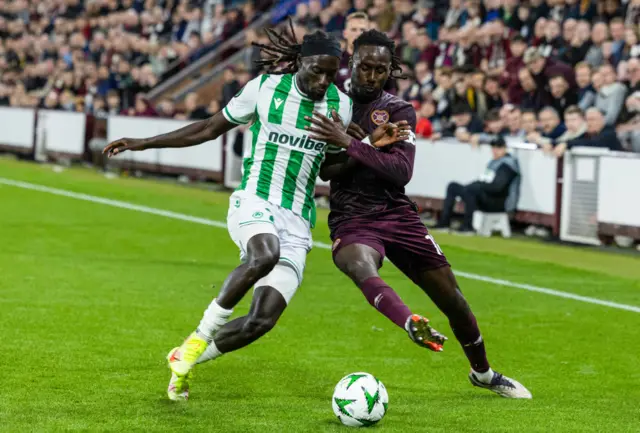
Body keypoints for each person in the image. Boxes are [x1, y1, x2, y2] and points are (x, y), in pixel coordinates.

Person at [102, 28, 379, 402]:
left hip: (298, 220)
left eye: (331, 73)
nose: (323, 81)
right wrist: (145, 142)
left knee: (260, 321)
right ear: (300, 61)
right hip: (254, 200)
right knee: (265, 254)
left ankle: (184, 358)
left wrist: (364, 148)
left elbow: (329, 170)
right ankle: (199, 339)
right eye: (317, 70)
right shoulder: (264, 89)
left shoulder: (340, 106)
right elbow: (207, 128)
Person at [308, 30, 531, 399]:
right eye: (365, 67)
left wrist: (350, 143)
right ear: (352, 62)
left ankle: (484, 373)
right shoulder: (333, 105)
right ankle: (409, 320)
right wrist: (366, 144)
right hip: (352, 216)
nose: (372, 76)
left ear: (390, 70)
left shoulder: (398, 110)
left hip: (397, 215)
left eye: (381, 70)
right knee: (357, 264)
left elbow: (400, 171)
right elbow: (327, 171)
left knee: (454, 301)